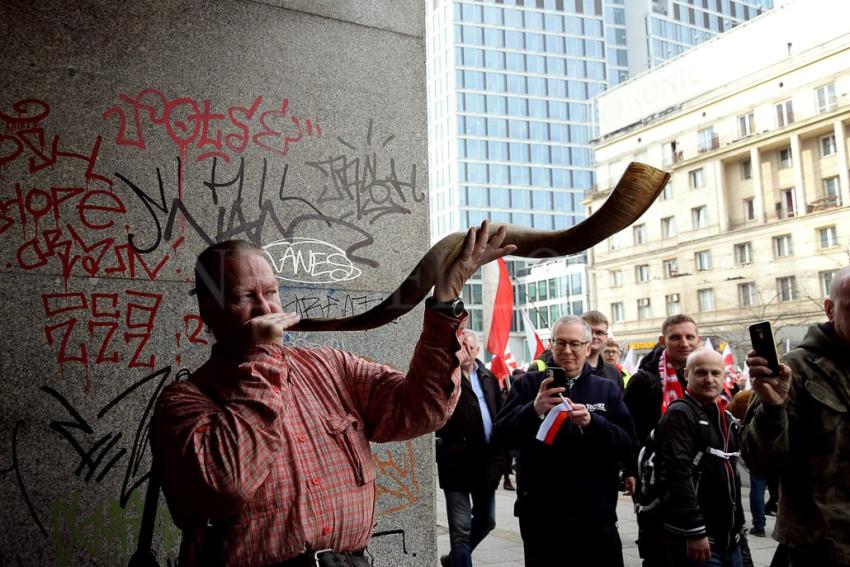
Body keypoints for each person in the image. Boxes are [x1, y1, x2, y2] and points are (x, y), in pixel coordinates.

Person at [151, 222, 516, 566]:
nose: (266, 309)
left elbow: (419, 409)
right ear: (208, 311)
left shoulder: (330, 366)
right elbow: (224, 485)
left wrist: (446, 299)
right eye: (246, 297)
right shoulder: (182, 403)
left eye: (271, 293)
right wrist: (261, 360)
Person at [493, 315, 637, 567]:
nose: (567, 351)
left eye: (575, 344)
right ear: (551, 344)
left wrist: (594, 423)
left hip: (596, 515)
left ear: (588, 345)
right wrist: (533, 409)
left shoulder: (606, 389)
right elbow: (500, 436)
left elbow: (627, 443)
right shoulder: (527, 385)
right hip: (541, 517)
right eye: (560, 343)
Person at [742, 266, 850, 567]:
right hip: (817, 550)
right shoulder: (794, 372)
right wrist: (772, 409)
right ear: (829, 309)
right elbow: (760, 462)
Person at [654, 349, 745, 567]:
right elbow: (677, 475)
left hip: (730, 540)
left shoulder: (725, 416)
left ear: (724, 376)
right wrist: (694, 531)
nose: (709, 379)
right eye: (701, 373)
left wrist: (740, 537)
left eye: (716, 373)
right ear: (687, 374)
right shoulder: (680, 413)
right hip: (700, 542)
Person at [436, 329, 509, 567]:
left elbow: (500, 417)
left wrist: (502, 460)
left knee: (487, 521)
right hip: (455, 465)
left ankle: (454, 560)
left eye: (469, 346)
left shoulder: (488, 377)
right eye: (460, 346)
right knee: (460, 531)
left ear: (477, 350)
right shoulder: (446, 378)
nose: (464, 350)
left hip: (486, 465)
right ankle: (460, 557)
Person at [625, 314, 701, 446]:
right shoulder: (642, 382)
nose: (684, 343)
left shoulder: (706, 377)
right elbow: (630, 434)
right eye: (675, 337)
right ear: (662, 341)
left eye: (690, 337)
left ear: (698, 340)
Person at [582, 310, 625, 389]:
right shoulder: (568, 369)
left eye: (599, 333)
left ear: (606, 337)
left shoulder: (614, 373)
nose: (594, 336)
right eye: (589, 332)